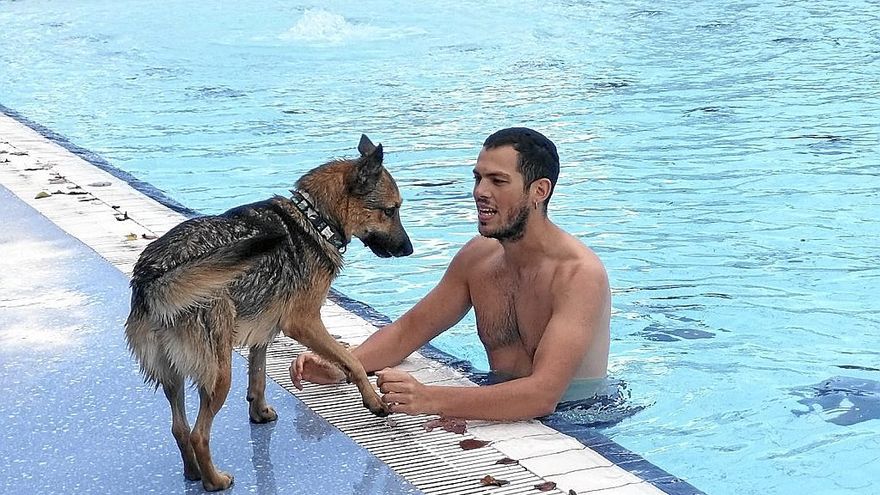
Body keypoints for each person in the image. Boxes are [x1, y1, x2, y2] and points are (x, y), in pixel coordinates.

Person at [291, 127, 611, 421]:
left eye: (497, 181)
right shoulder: (479, 258)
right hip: (500, 399)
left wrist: (427, 398)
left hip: (581, 419)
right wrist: (344, 365)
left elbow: (542, 396)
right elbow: (408, 330)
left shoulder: (579, 276)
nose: (480, 192)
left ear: (539, 191)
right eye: (478, 178)